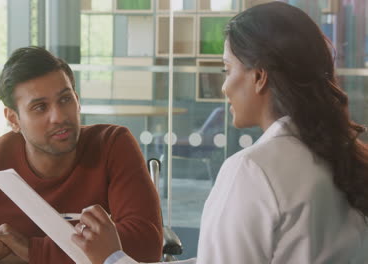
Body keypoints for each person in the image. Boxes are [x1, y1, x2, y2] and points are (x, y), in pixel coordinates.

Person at [71, 2, 368, 264]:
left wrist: (110, 258)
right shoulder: (343, 158)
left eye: (227, 70)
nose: (224, 87)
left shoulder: (253, 171)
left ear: (259, 77)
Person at [0, 46, 163, 263]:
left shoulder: (113, 144)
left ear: (77, 99)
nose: (59, 117)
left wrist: (32, 250)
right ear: (13, 119)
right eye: (39, 107)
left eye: (65, 99)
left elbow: (148, 243)